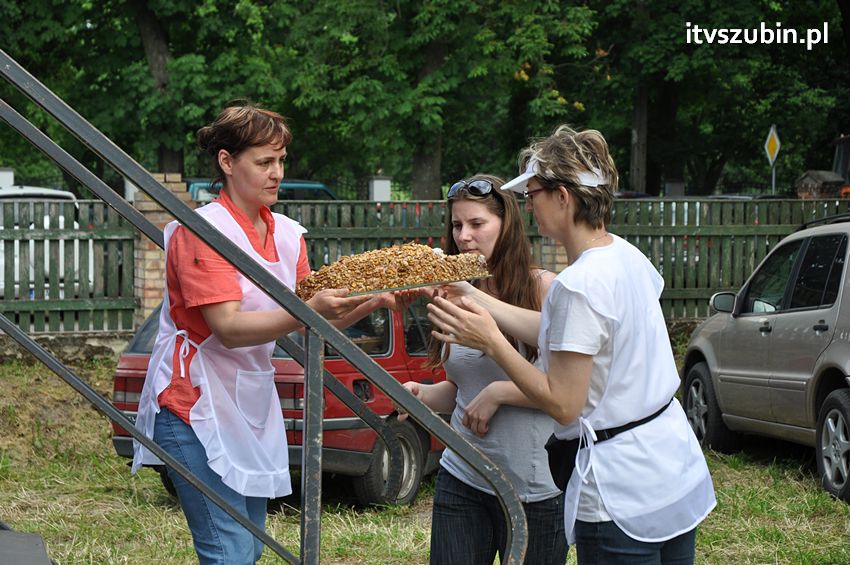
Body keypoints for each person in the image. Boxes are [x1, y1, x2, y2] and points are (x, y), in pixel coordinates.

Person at [426, 126, 716, 564]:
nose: (528, 204)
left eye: (534, 193)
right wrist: (473, 295)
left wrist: (492, 342)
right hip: (672, 470)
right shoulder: (624, 255)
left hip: (620, 489)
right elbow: (560, 329)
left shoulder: (577, 286)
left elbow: (563, 403)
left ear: (563, 197)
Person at [131, 104, 390, 565]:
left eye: (282, 161)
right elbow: (228, 328)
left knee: (248, 547)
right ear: (227, 162)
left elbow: (312, 320)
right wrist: (307, 311)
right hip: (192, 402)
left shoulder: (289, 234)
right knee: (227, 548)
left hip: (249, 402)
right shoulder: (203, 231)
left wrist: (369, 301)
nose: (277, 174)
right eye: (264, 162)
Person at [399, 174, 567, 565]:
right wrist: (422, 393)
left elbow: (571, 394)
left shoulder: (545, 288)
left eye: (477, 224)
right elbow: (461, 389)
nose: (464, 236)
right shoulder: (452, 291)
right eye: (457, 225)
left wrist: (500, 394)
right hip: (463, 477)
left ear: (506, 226)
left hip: (535, 488)